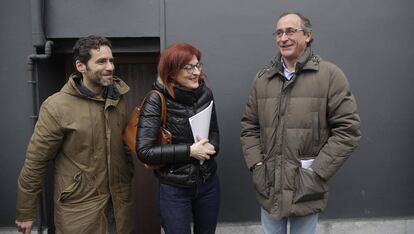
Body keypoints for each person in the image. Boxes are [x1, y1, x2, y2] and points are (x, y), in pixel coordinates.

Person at [240, 12, 361, 234]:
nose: (283, 38)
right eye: (278, 33)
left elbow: (348, 131)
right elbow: (249, 126)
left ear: (307, 36)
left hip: (306, 187)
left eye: (290, 31)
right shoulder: (262, 78)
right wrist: (257, 165)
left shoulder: (330, 75)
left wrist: (316, 172)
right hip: (269, 186)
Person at [15, 35, 134, 233]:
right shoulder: (57, 107)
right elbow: (36, 161)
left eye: (111, 60)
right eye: (101, 61)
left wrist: (126, 174)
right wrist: (25, 211)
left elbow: (123, 145)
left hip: (119, 206)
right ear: (81, 65)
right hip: (80, 210)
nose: (110, 67)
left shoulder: (118, 99)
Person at [136, 43, 220, 234]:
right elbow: (145, 152)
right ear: (172, 73)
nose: (196, 72)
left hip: (208, 183)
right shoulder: (156, 99)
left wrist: (210, 148)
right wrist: (190, 151)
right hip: (175, 188)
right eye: (188, 67)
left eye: (198, 65)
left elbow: (214, 133)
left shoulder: (206, 94)